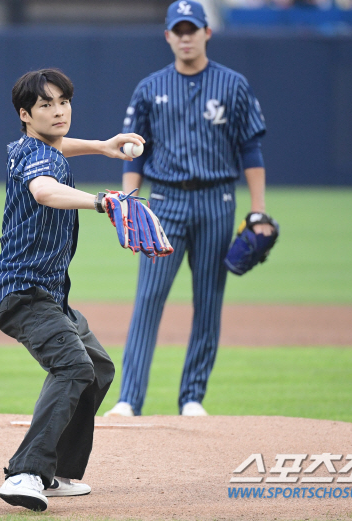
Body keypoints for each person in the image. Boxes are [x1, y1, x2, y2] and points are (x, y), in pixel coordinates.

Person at [104, 0, 275, 418]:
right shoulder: (150, 87)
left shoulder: (233, 85)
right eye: (177, 30)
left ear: (206, 33)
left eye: (192, 29)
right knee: (149, 297)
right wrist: (128, 203)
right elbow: (133, 152)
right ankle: (129, 399)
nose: (185, 37)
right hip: (165, 202)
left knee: (209, 299)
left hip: (217, 200)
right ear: (167, 36)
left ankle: (192, 397)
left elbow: (250, 150)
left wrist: (258, 211)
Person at [0, 68, 144, 511]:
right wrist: (99, 200)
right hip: (22, 292)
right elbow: (44, 191)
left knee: (96, 367)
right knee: (74, 367)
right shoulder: (39, 163)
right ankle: (26, 473)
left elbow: (57, 149)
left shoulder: (30, 146)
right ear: (25, 114)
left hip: (47, 294)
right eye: (45, 105)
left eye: (63, 102)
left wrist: (102, 146)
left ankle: (52, 472)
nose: (58, 111)